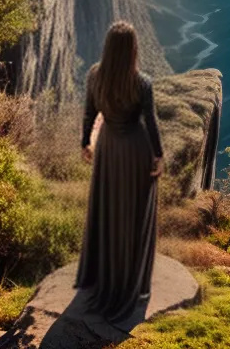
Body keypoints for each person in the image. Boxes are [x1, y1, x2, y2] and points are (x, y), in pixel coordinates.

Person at [75, 21, 164, 327]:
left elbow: (89, 112)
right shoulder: (141, 83)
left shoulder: (94, 76)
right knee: (136, 213)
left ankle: (102, 273)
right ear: (133, 49)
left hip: (108, 149)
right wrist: (159, 156)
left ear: (108, 47)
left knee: (108, 209)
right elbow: (150, 123)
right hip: (136, 150)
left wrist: (86, 142)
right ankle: (132, 280)